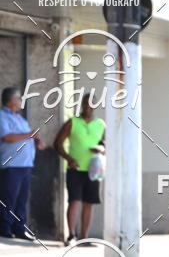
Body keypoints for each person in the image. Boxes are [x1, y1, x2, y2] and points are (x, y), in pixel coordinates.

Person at [53, 94, 105, 245]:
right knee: (74, 201)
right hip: (74, 169)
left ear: (96, 105)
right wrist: (69, 159)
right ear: (81, 104)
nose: (88, 107)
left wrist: (101, 148)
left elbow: (106, 143)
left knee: (89, 203)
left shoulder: (101, 124)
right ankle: (71, 236)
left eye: (92, 104)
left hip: (94, 170)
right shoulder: (72, 122)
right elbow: (58, 143)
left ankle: (84, 237)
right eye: (85, 104)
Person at [0, 87, 46, 241]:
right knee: (9, 198)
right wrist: (29, 134)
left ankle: (20, 228)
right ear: (10, 100)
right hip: (11, 165)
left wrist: (37, 141)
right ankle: (5, 228)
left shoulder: (20, 119)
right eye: (19, 98)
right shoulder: (2, 117)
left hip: (26, 165)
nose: (21, 101)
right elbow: (7, 137)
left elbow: (27, 136)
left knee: (22, 199)